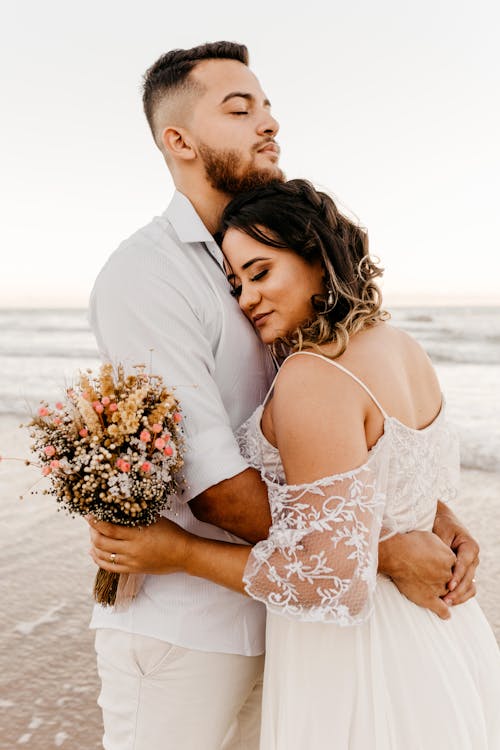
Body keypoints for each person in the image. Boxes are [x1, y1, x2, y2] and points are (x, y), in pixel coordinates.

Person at [88, 43, 480, 750]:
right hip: (192, 633)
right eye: (240, 109)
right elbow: (212, 485)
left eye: (268, 109)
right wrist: (389, 548)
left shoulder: (273, 274)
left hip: (298, 622)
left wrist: (430, 510)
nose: (268, 124)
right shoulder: (147, 276)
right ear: (178, 140)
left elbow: (355, 437)